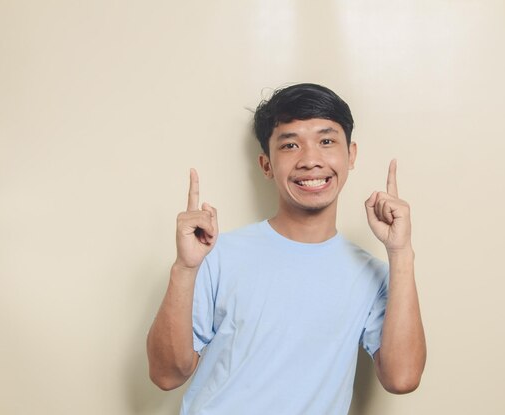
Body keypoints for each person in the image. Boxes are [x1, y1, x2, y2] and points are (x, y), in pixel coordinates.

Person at [146, 83, 426, 414]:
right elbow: (166, 375)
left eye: (326, 141)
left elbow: (403, 378)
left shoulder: (372, 274)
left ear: (350, 154)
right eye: (290, 144)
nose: (310, 160)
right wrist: (185, 268)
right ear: (266, 165)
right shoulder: (214, 254)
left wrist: (401, 253)